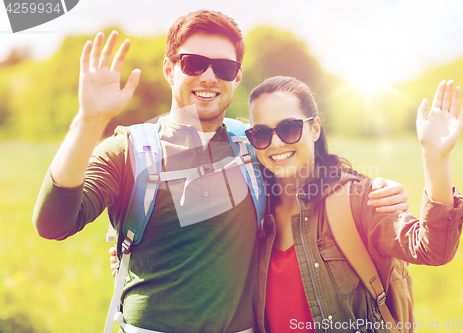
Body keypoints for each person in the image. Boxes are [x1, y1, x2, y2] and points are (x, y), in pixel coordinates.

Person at [33, 10, 409, 333]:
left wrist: (370, 186)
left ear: (236, 77)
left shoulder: (254, 142)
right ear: (170, 69)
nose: (209, 76)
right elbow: (53, 224)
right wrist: (89, 119)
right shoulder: (128, 149)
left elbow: (308, 165)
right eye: (194, 63)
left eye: (224, 67)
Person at [240, 76, 463, 332]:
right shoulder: (254, 212)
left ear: (315, 129)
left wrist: (435, 157)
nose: (276, 143)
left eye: (289, 128)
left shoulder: (357, 198)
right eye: (260, 134)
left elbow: (433, 249)